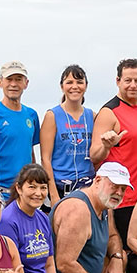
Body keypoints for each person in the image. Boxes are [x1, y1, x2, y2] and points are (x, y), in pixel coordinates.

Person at [90, 58, 137, 245]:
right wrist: (106, 146)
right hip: (127, 200)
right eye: (128, 80)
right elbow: (94, 156)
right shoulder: (109, 111)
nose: (133, 85)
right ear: (118, 81)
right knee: (128, 257)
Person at [0, 60, 39, 196]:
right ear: (0, 82)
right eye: (9, 79)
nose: (13, 84)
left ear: (26, 83)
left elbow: (30, 150)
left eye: (18, 79)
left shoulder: (31, 115)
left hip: (26, 193)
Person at [41, 65, 95, 203]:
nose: (74, 86)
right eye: (69, 82)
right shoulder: (52, 116)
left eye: (79, 82)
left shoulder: (92, 116)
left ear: (86, 86)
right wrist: (53, 195)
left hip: (88, 188)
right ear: (62, 86)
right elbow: (45, 159)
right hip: (61, 187)